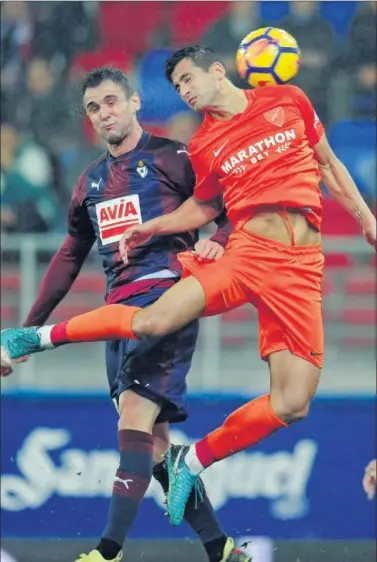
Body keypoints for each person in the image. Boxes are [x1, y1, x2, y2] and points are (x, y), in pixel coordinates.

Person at [2, 45, 376, 528]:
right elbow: (201, 209)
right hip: (247, 253)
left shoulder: (289, 100)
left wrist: (367, 220)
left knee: (293, 403)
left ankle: (192, 460)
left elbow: (327, 166)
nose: (184, 91)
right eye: (177, 86)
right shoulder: (203, 144)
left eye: (187, 79)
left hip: (301, 267)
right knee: (154, 317)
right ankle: (32, 337)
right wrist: (152, 228)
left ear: (217, 70)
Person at [1, 67, 251, 562]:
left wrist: (218, 242)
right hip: (117, 314)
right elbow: (70, 255)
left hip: (166, 300)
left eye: (112, 101)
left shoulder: (173, 158)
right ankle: (220, 548)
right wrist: (31, 320)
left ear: (135, 103)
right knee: (155, 445)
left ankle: (108, 552)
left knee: (134, 420)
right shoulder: (91, 181)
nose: (104, 113)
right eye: (94, 108)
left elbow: (228, 207)